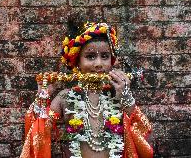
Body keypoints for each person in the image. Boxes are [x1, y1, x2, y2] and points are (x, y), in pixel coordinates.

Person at [20, 22, 153, 158]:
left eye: (105, 56)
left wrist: (126, 98)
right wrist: (43, 95)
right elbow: (38, 132)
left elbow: (145, 138)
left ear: (112, 61)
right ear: (77, 62)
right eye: (90, 57)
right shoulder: (65, 97)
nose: (98, 64)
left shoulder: (117, 95)